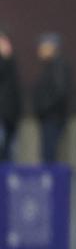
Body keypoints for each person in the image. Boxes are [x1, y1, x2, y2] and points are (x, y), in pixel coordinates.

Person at [34, 32, 71, 163]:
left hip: (53, 117)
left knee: (50, 154)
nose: (40, 49)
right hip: (49, 117)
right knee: (47, 153)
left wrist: (44, 108)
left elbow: (60, 92)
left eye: (43, 46)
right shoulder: (49, 66)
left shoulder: (58, 67)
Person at [0, 28, 22, 162]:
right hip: (2, 115)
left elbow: (14, 89)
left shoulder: (11, 61)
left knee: (10, 151)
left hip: (10, 115)